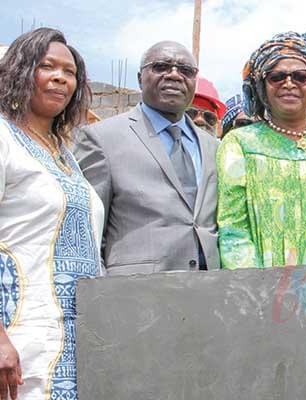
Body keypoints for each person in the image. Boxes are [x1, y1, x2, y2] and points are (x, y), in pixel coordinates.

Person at [0, 27, 101, 400]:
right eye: (46, 66)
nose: (60, 77)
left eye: (69, 71)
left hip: (77, 338)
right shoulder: (5, 138)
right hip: (20, 333)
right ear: (21, 72)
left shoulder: (65, 155)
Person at [75, 41, 221, 274]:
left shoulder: (213, 147)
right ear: (139, 77)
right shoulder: (102, 139)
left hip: (207, 292)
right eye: (161, 66)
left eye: (185, 70)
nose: (174, 75)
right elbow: (86, 229)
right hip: (134, 294)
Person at [217, 31, 306, 268]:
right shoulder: (240, 143)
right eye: (276, 77)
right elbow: (233, 229)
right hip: (263, 287)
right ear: (262, 87)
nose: (289, 83)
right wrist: (255, 291)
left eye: (300, 76)